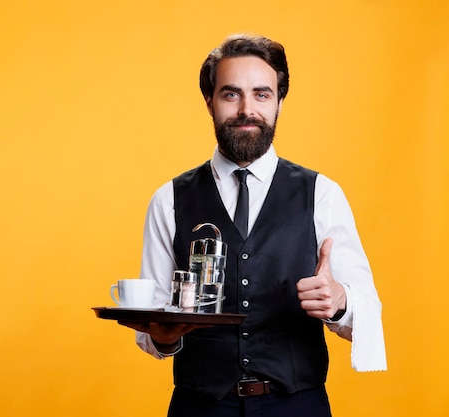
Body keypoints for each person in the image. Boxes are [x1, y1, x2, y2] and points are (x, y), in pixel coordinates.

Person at [120, 34, 387, 417]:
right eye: (231, 94)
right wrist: (161, 339)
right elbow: (151, 327)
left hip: (298, 406)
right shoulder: (169, 199)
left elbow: (367, 310)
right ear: (209, 102)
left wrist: (340, 301)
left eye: (262, 94)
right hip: (201, 407)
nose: (248, 109)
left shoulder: (322, 194)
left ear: (279, 102)